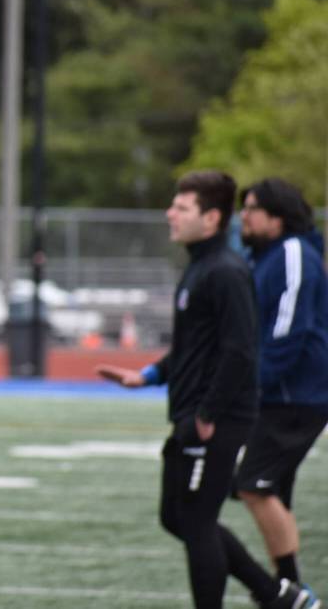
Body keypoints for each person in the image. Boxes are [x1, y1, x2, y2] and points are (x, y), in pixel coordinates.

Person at [96, 172, 321, 609]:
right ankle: (277, 594)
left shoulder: (226, 271)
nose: (170, 214)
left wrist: (208, 415)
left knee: (198, 523)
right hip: (192, 412)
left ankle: (275, 592)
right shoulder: (202, 266)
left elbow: (239, 351)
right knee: (176, 517)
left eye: (181, 208)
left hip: (214, 418)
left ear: (212, 217)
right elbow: (194, 347)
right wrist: (148, 375)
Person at [235, 178, 328, 588]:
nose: (244, 215)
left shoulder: (292, 252)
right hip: (283, 392)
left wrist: (251, 385)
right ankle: (288, 586)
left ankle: (290, 589)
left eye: (253, 208)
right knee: (270, 490)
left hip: (296, 395)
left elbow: (288, 330)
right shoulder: (266, 256)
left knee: (253, 486)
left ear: (278, 217)